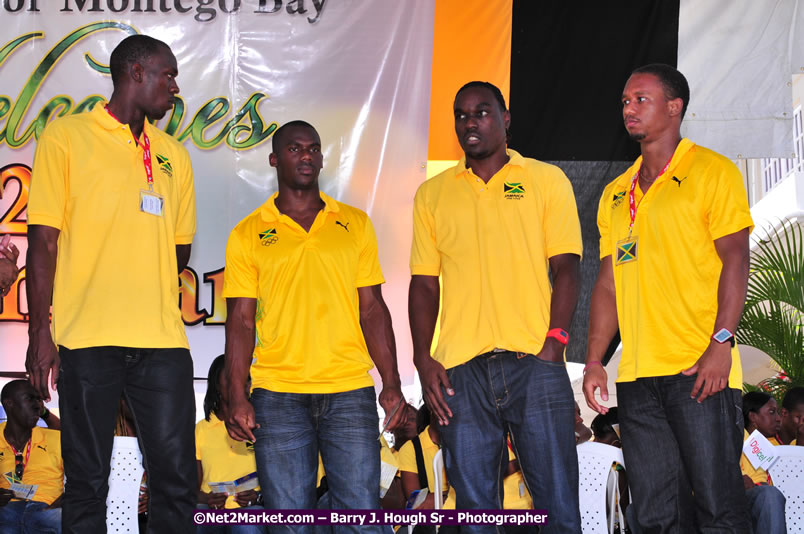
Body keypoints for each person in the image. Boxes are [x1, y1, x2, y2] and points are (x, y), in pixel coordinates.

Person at [25, 34, 197, 532]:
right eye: (168, 74)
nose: (174, 86)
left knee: (176, 479)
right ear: (135, 73)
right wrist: (41, 332)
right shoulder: (66, 137)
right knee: (86, 480)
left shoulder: (173, 155)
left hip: (162, 340)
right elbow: (44, 243)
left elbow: (179, 247)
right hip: (87, 337)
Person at [583, 63, 753, 533]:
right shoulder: (616, 194)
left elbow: (736, 260)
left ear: (675, 107)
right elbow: (608, 283)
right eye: (624, 101)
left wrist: (722, 342)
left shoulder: (713, 171)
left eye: (641, 99)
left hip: (700, 369)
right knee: (657, 515)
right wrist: (596, 359)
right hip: (637, 376)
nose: (628, 109)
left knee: (718, 507)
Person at [409, 81, 583, 533]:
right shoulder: (433, 194)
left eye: (482, 112)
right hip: (460, 371)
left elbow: (567, 267)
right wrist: (423, 360)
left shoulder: (546, 180)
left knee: (558, 507)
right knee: (475, 514)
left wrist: (555, 343)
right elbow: (424, 285)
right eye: (462, 114)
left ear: (505, 120)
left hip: (534, 361)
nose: (471, 121)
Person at [222, 120, 406, 533]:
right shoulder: (248, 233)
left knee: (360, 517)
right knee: (290, 523)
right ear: (274, 159)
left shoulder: (355, 224)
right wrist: (237, 394)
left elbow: (373, 309)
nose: (306, 156)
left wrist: (391, 383)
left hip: (348, 389)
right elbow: (240, 321)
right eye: (295, 149)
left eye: (313, 148)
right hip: (278, 393)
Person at [196, 355, 265, 534]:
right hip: (210, 508)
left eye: (245, 378)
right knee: (198, 518)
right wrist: (208, 499)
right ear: (216, 385)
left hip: (250, 507)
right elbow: (191, 489)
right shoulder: (201, 429)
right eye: (230, 378)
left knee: (247, 525)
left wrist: (257, 497)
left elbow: (277, 479)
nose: (240, 384)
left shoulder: (260, 425)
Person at [0, 380, 63, 533]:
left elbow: (81, 480)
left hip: (48, 508)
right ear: (9, 403)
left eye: (39, 400)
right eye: (29, 399)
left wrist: (59, 505)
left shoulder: (55, 438)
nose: (37, 405)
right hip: (6, 508)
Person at [740, 392, 786, 534]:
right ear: (753, 417)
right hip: (734, 498)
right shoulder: (738, 434)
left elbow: (761, 480)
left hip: (760, 501)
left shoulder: (760, 444)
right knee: (769, 495)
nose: (778, 419)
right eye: (772, 412)